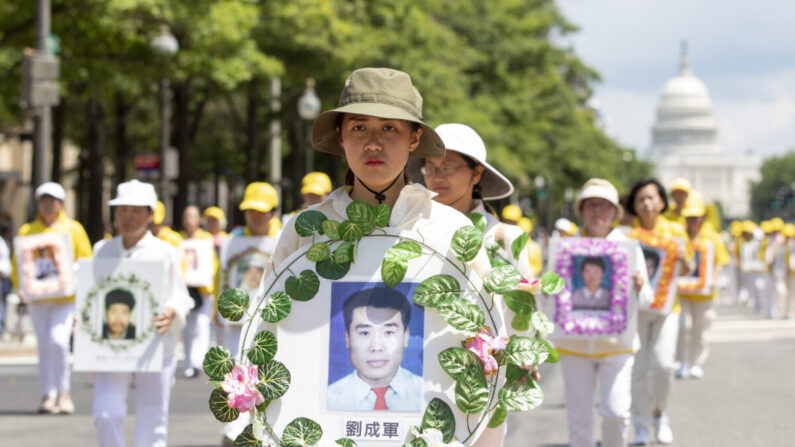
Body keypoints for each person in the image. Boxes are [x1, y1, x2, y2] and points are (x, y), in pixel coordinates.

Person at [264, 67, 503, 446]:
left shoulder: (452, 232)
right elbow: (272, 329)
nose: (373, 143)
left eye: (390, 128)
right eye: (359, 128)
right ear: (340, 137)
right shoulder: (306, 229)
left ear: (415, 138)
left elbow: (487, 347)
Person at [550, 178, 652, 447]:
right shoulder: (565, 249)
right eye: (591, 204)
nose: (597, 211)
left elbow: (647, 301)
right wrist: (548, 291)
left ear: (614, 212)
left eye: (604, 205)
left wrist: (640, 287)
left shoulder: (629, 248)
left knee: (616, 413)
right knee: (579, 418)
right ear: (581, 210)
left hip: (617, 344)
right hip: (574, 346)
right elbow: (548, 295)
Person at [92, 179, 193, 447]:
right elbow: (91, 296)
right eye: (122, 209)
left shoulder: (165, 252)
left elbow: (182, 297)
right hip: (110, 346)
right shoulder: (101, 251)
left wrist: (172, 311)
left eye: (136, 210)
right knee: (106, 412)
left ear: (150, 214)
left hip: (154, 345)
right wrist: (85, 318)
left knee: (152, 418)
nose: (127, 216)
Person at [11, 182, 93, 415]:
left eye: (53, 200)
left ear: (61, 203)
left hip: (65, 298)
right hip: (38, 299)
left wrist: (74, 278)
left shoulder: (73, 229)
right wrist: (20, 287)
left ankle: (64, 391)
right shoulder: (27, 230)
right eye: (44, 200)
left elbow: (86, 259)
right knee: (45, 346)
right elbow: (19, 263)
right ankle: (49, 394)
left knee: (59, 341)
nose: (48, 204)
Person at [417, 122, 532, 279]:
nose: (437, 176)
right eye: (430, 168)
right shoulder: (415, 228)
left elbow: (520, 300)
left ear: (476, 173)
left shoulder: (505, 237)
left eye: (447, 167)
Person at [625, 178, 692, 445]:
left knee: (664, 365)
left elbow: (685, 270)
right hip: (638, 311)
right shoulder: (627, 236)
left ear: (662, 202)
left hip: (667, 309)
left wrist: (685, 259)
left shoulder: (676, 232)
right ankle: (640, 424)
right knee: (639, 370)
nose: (647, 203)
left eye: (651, 198)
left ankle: (659, 413)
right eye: (641, 199)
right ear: (634, 205)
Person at [327, 287, 422, 411]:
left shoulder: (426, 394)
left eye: (388, 332)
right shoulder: (329, 400)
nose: (376, 347)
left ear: (405, 337)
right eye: (365, 333)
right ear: (347, 338)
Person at [675, 192, 729, 380]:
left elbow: (721, 260)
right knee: (683, 327)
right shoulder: (678, 235)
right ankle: (682, 362)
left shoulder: (712, 237)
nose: (692, 221)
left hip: (704, 294)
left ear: (702, 218)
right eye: (689, 218)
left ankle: (695, 363)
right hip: (681, 292)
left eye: (695, 218)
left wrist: (713, 279)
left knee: (700, 331)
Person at [179, 205, 218, 378]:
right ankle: (189, 361)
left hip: (202, 290)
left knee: (201, 325)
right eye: (187, 216)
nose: (190, 220)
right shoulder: (177, 239)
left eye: (193, 216)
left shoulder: (205, 239)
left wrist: (210, 285)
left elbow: (213, 266)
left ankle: (197, 362)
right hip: (184, 289)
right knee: (186, 328)